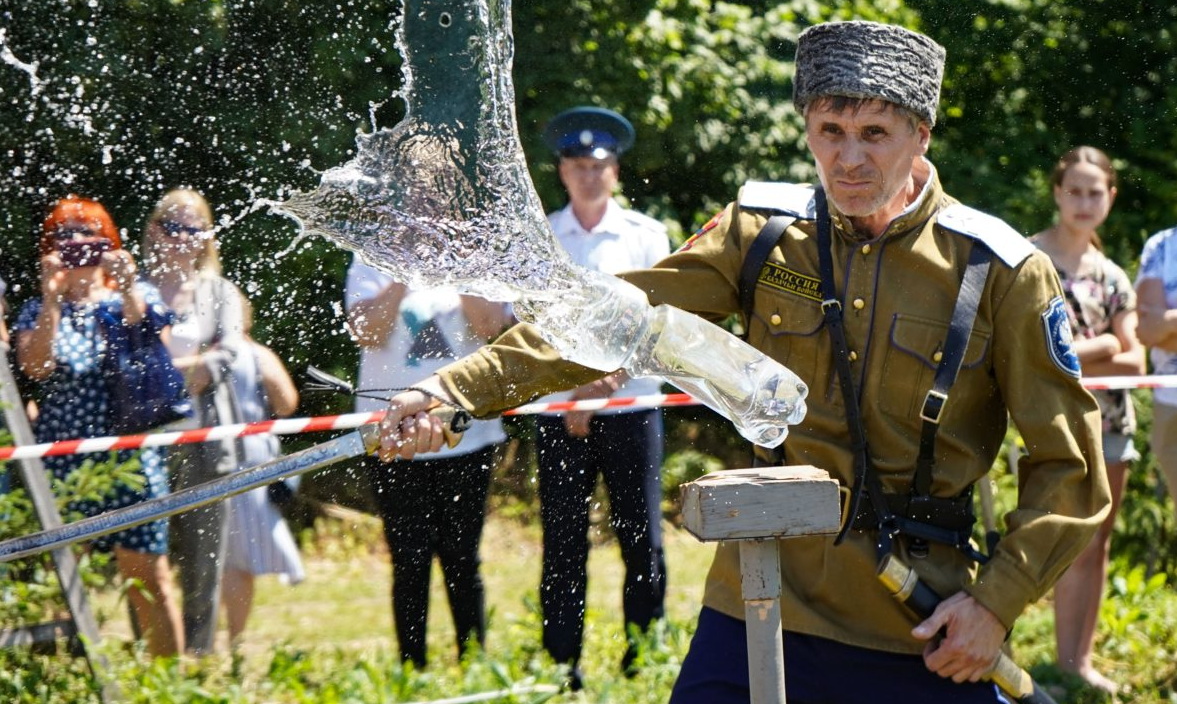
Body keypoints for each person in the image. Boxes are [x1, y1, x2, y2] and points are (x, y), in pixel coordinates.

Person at [374, 20, 1110, 702]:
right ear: (807, 129)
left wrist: (994, 604)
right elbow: (608, 319)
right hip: (759, 596)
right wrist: (451, 390)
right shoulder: (761, 235)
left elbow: (1069, 465)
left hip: (917, 625)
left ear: (921, 134)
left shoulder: (998, 271)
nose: (849, 158)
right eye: (830, 131)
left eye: (874, 134)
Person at [528, 106, 670, 687]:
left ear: (615, 172)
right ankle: (563, 665)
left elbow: (656, 326)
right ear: (562, 171)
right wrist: (573, 393)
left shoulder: (645, 236)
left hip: (631, 406)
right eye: (578, 166)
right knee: (563, 541)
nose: (588, 176)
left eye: (598, 166)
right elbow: (529, 326)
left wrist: (601, 387)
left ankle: (644, 657)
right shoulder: (542, 238)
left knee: (641, 537)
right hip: (560, 411)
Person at [15, 195, 184, 656]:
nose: (76, 246)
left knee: (150, 577)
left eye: (88, 237)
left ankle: (167, 681)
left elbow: (156, 343)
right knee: (65, 578)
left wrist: (127, 287)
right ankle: (67, 674)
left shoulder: (134, 295)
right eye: (63, 238)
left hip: (131, 459)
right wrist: (52, 299)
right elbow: (36, 367)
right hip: (63, 459)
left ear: (110, 244)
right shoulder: (37, 309)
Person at [345, 258, 512, 668]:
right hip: (393, 438)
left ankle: (473, 663)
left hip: (467, 435)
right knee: (409, 559)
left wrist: (454, 262)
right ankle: (412, 667)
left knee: (463, 557)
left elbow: (491, 326)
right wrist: (405, 269)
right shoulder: (370, 258)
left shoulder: (472, 252)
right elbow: (366, 331)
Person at [1030, 146, 1142, 695]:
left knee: (1096, 542)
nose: (1083, 201)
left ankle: (1078, 662)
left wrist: (1078, 350)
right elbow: (1029, 351)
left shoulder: (1112, 276)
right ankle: (1034, 657)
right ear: (1056, 192)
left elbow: (1135, 360)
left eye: (1094, 192)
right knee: (1053, 540)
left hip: (1111, 422)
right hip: (1046, 422)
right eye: (1073, 190)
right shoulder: (1028, 260)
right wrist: (1103, 346)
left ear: (1110, 197)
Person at [141, 187, 246, 655]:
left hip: (207, 441)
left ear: (207, 237)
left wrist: (170, 371)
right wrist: (189, 366)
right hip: (147, 441)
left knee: (205, 557)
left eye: (194, 230)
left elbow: (228, 353)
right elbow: (127, 362)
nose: (182, 238)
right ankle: (152, 652)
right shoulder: (134, 290)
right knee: (146, 553)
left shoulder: (218, 291)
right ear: (154, 231)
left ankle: (198, 655)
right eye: (173, 228)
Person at [220, 296, 304, 647]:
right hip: (212, 460)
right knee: (223, 558)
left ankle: (234, 642)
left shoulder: (256, 353)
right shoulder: (199, 352)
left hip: (251, 462)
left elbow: (286, 403)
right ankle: (220, 640)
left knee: (237, 559)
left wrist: (260, 364)